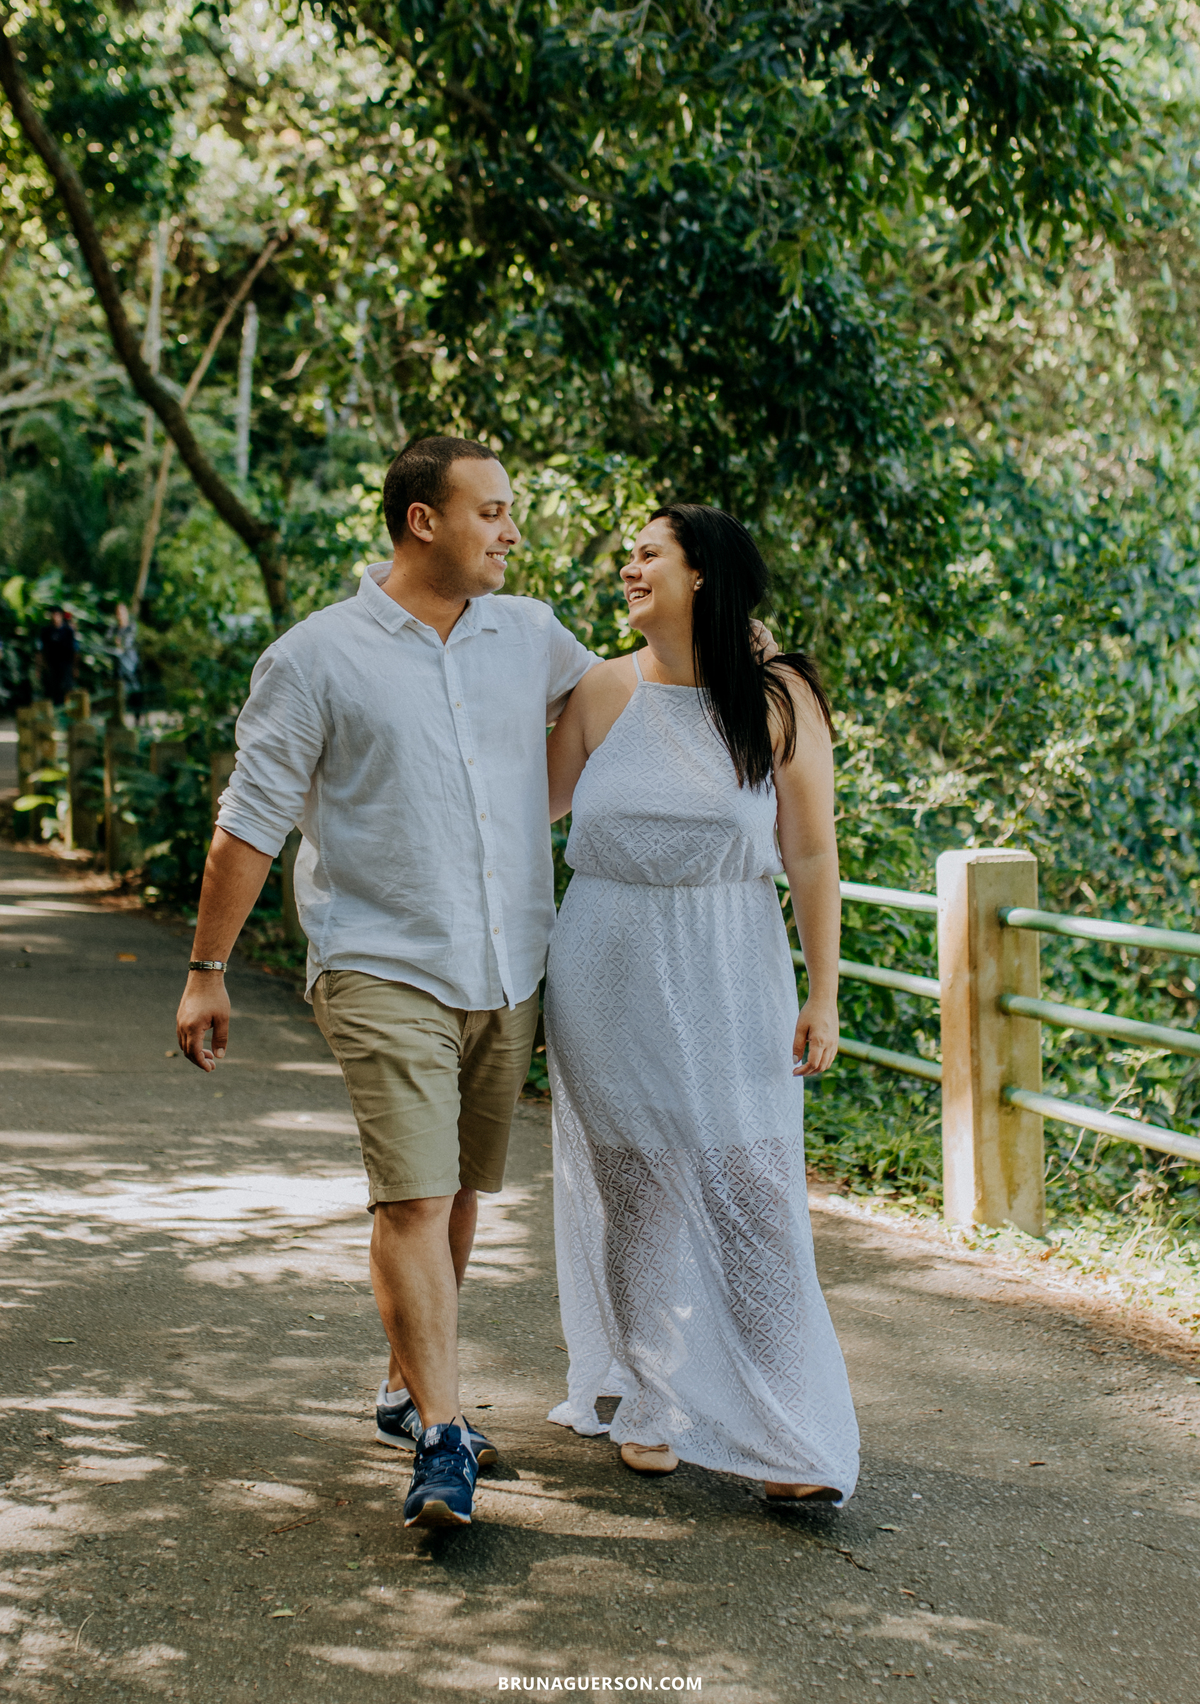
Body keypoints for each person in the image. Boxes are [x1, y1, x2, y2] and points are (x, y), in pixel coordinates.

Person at [174, 436, 599, 1529]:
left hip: (508, 961)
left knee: (456, 1195)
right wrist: (206, 971)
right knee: (412, 1194)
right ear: (425, 521)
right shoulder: (315, 657)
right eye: (493, 512)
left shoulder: (534, 634)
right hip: (380, 962)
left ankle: (406, 1390)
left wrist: (744, 648)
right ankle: (445, 1441)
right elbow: (249, 824)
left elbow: (621, 698)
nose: (512, 531)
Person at [543, 504, 859, 1502]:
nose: (626, 567)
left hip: (733, 962)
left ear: (703, 577)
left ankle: (783, 1427)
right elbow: (522, 814)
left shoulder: (777, 698)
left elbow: (811, 851)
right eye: (627, 555)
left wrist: (826, 991)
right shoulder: (600, 690)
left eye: (648, 554)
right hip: (605, 966)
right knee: (637, 1193)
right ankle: (648, 1397)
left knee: (756, 1188)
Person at [40, 606, 76, 705]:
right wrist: (41, 666)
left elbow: (74, 650)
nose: (54, 617)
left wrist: (74, 667)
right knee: (52, 692)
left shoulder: (68, 631)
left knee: (66, 691)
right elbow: (41, 650)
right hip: (51, 666)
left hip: (66, 665)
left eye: (57, 614)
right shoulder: (46, 631)